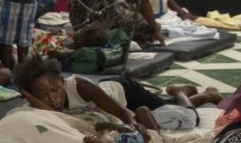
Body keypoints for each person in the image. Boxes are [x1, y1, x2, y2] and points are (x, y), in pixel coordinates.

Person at [15, 55, 216, 134]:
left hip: (126, 93)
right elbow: (52, 114)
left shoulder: (80, 86)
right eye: (43, 95)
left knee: (186, 116)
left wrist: (132, 123)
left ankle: (189, 93)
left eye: (55, 90)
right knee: (167, 106)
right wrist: (26, 93)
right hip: (106, 92)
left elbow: (123, 113)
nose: (52, 99)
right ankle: (182, 94)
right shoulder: (38, 103)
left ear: (61, 80)